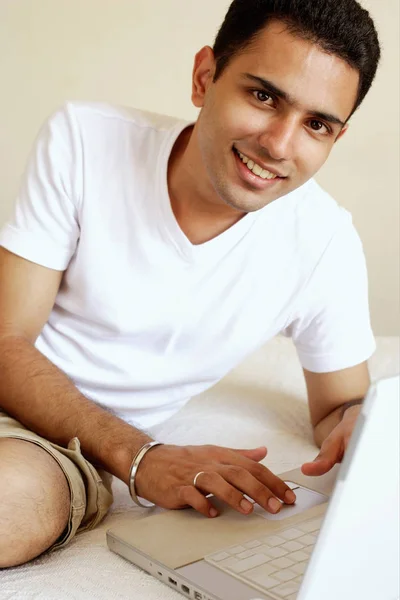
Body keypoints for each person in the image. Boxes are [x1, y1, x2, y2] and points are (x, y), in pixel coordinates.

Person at [0, 0, 381, 569]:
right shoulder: (86, 139)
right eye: (263, 96)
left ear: (336, 138)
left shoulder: (324, 243)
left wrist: (360, 432)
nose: (278, 144)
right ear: (205, 77)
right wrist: (143, 458)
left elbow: (341, 405)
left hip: (57, 447)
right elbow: (6, 339)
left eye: (316, 124)